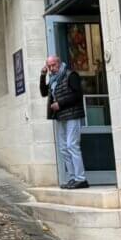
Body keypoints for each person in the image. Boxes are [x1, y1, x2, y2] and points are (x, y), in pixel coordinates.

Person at [39, 55, 88, 189]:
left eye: (53, 65)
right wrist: (43, 75)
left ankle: (81, 178)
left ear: (59, 63)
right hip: (61, 117)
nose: (51, 68)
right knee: (63, 148)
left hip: (72, 115)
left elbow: (78, 95)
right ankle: (72, 178)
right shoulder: (54, 80)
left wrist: (60, 103)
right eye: (49, 66)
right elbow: (44, 92)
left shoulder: (71, 75)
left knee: (72, 145)